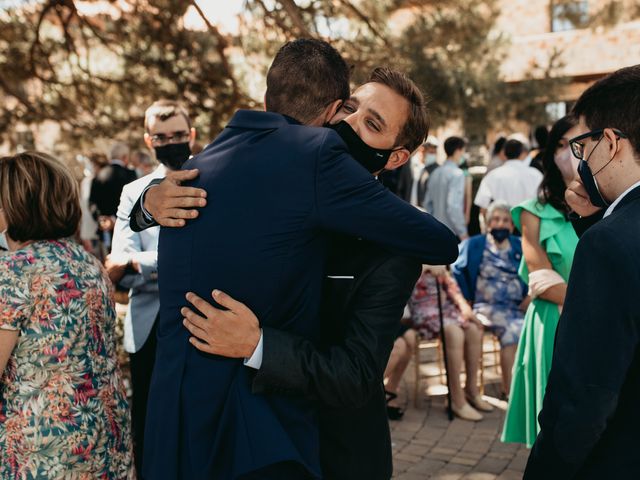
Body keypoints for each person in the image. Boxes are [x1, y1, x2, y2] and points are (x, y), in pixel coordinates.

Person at [138, 41, 458, 479]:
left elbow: (356, 374)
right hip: (250, 439)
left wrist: (259, 345)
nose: (348, 123)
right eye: (349, 108)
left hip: (335, 452)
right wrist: (146, 202)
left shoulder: (391, 248)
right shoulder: (267, 166)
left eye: (371, 123)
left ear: (396, 156)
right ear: (332, 108)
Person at [524, 66, 640, 478]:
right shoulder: (611, 233)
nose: (578, 161)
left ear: (609, 143)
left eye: (582, 145)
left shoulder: (609, 243)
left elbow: (585, 396)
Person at [0, 152, 133, 479]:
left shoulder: (13, 273)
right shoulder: (88, 264)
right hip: (104, 446)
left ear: (13, 205)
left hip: (42, 454)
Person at [106, 99, 196, 477]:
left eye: (177, 135)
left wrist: (142, 264)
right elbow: (119, 266)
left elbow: (133, 264)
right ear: (148, 140)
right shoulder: (134, 192)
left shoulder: (213, 181)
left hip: (198, 322)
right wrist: (172, 265)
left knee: (194, 422)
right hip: (147, 329)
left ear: (191, 135)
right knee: (146, 422)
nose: (170, 142)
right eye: (162, 137)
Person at [500, 116, 581, 447]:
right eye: (561, 146)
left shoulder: (612, 209)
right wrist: (609, 297)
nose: (570, 154)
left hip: (604, 327)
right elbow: (542, 281)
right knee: (555, 436)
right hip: (552, 325)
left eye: (578, 144)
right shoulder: (533, 212)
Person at [452, 201, 529, 397]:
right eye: (496, 219)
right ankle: (511, 393)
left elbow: (534, 270)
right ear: (488, 223)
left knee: (529, 332)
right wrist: (465, 300)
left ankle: (520, 389)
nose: (501, 224)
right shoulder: (474, 244)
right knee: (514, 333)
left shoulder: (520, 245)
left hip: (515, 308)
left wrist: (529, 295)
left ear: (512, 227)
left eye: (505, 221)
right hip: (484, 308)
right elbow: (456, 270)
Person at [408, 265, 492, 421]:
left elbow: (453, 290)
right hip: (424, 310)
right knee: (455, 333)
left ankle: (471, 391)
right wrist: (424, 267)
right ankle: (456, 398)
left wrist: (467, 311)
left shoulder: (438, 259)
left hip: (447, 310)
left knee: (474, 330)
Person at [474, 134, 543, 218]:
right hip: (530, 224)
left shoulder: (492, 176)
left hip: (501, 225)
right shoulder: (535, 174)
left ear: (504, 154)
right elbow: (543, 203)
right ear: (522, 153)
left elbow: (483, 208)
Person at [89, 142, 137, 257]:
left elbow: (91, 203)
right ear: (125, 157)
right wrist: (115, 219)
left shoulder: (98, 175)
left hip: (104, 228)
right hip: (127, 229)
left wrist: (101, 219)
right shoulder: (130, 174)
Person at [423, 136, 469, 240]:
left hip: (435, 230)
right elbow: (453, 206)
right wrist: (463, 232)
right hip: (452, 232)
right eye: (463, 151)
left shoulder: (435, 172)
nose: (463, 155)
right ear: (458, 151)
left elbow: (427, 203)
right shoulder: (457, 174)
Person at [412, 135, 440, 206]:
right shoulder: (418, 167)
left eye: (434, 152)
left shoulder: (437, 170)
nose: (432, 155)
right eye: (430, 152)